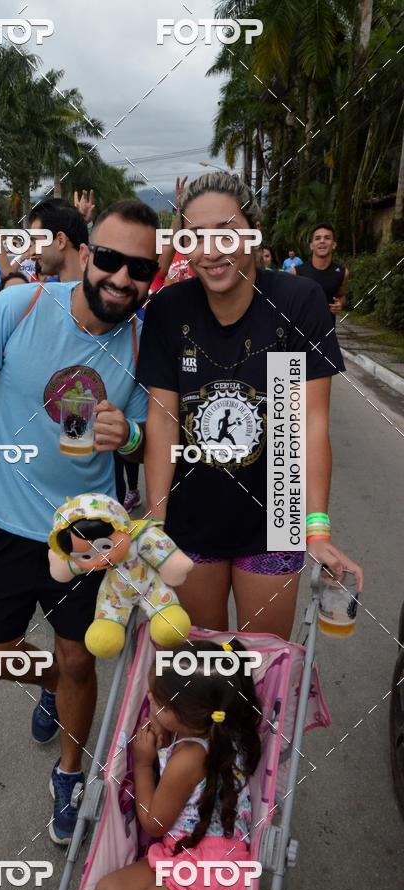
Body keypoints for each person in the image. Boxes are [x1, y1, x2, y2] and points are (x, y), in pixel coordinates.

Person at [0, 200, 159, 844]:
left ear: (150, 276)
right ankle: (52, 684)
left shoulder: (143, 342)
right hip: (5, 521)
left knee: (82, 660)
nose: (122, 279)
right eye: (111, 259)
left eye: (139, 268)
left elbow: (151, 442)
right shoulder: (21, 306)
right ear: (86, 254)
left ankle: (69, 773)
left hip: (85, 529)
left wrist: (131, 434)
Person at [137, 172, 363, 640]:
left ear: (252, 233)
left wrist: (316, 527)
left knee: (263, 667)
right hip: (192, 512)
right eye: (194, 236)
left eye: (225, 231)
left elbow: (304, 423)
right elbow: (162, 422)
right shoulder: (169, 309)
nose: (210, 250)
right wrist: (156, 521)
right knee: (204, 676)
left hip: (275, 509)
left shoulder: (296, 302)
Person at [92, 639, 261, 890]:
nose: (148, 699)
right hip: (187, 851)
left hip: (211, 869)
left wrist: (143, 764)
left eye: (159, 703)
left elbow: (154, 823)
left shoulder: (189, 758)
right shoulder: (224, 725)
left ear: (189, 715)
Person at [291, 223, 348, 324]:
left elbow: (341, 295)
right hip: (301, 334)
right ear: (312, 246)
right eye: (317, 238)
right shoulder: (297, 272)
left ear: (334, 244)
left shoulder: (342, 273)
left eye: (327, 238)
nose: (322, 241)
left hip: (328, 333)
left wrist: (340, 304)